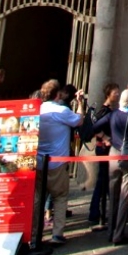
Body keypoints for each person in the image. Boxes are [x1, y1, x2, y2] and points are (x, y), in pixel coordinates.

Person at [37, 79, 82, 245]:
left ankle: (36, 232)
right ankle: (57, 233)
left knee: (38, 198)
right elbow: (79, 120)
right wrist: (79, 103)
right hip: (58, 162)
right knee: (60, 197)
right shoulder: (62, 111)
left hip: (39, 161)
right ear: (57, 94)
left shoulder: (38, 110)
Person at [97, 88, 128, 245]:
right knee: (125, 197)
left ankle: (110, 231)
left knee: (114, 195)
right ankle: (118, 234)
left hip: (113, 154)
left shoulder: (113, 114)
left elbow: (95, 127)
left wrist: (105, 137)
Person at [89, 82, 120, 228]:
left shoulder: (110, 110)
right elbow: (94, 127)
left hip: (107, 148)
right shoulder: (104, 111)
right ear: (108, 94)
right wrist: (105, 137)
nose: (118, 94)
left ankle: (109, 209)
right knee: (103, 179)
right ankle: (95, 212)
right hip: (103, 148)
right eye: (115, 92)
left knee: (106, 179)